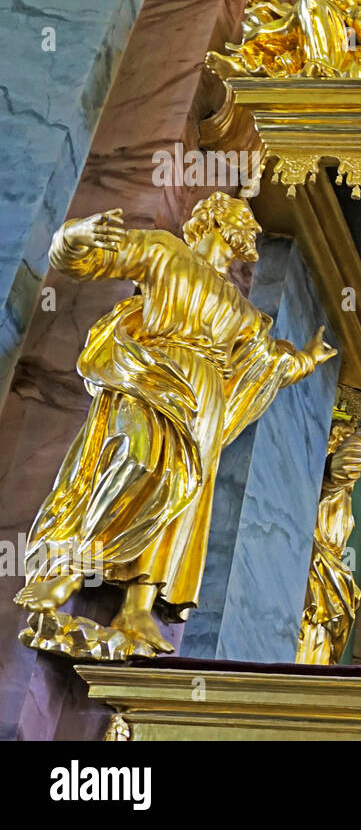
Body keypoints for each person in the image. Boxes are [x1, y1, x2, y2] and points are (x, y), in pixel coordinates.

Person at [14, 194, 336, 656]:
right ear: (214, 220)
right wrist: (73, 237)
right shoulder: (165, 251)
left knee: (182, 497)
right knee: (134, 461)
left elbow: (263, 364)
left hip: (205, 397)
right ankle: (66, 572)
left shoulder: (241, 309)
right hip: (154, 373)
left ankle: (137, 607)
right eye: (241, 218)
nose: (249, 227)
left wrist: (305, 361)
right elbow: (84, 262)